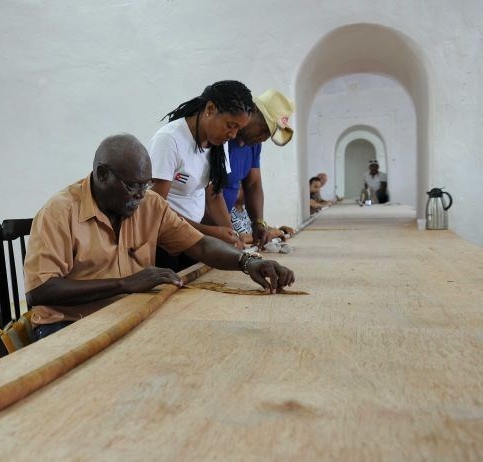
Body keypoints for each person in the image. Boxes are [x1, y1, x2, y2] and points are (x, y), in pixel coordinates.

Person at [24, 134, 296, 339]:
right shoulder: (60, 212)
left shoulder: (149, 205)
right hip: (68, 324)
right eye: (132, 187)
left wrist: (248, 262)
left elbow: (200, 245)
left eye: (146, 185)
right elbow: (40, 291)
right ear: (102, 174)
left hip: (126, 314)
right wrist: (125, 284)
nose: (140, 196)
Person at [148, 80, 254, 270]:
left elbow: (214, 194)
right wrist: (208, 232)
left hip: (194, 239)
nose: (233, 135)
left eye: (238, 129)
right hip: (164, 241)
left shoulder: (218, 143)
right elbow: (156, 207)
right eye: (230, 125)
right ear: (210, 109)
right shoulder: (169, 139)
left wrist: (231, 235)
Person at [219, 89, 295, 249]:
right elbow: (211, 193)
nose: (264, 138)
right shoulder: (222, 139)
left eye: (269, 134)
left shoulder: (254, 146)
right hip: (207, 228)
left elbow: (253, 184)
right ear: (253, 111)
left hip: (223, 232)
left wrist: (258, 223)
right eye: (264, 129)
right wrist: (230, 234)